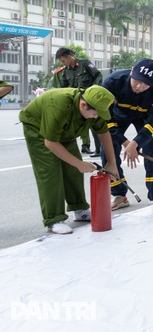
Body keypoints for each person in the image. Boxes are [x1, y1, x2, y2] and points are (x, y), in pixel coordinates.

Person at [18, 85, 118, 234]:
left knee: (73, 170)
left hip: (65, 131)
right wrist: (79, 164)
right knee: (50, 172)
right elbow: (50, 142)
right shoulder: (59, 105)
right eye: (95, 114)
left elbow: (104, 133)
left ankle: (79, 209)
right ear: (83, 105)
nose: (96, 117)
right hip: (38, 129)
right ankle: (54, 219)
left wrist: (112, 163)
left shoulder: (94, 108)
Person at [102, 58, 153, 215]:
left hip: (143, 118)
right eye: (137, 81)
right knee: (107, 147)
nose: (140, 86)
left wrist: (137, 142)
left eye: (146, 84)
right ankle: (120, 194)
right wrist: (125, 142)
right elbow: (106, 119)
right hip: (118, 115)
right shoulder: (113, 81)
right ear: (132, 71)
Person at [55, 47, 104, 157]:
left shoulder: (84, 64)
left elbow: (98, 76)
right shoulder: (66, 71)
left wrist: (94, 93)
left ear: (69, 57)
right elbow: (62, 87)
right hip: (76, 102)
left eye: (63, 61)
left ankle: (99, 150)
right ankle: (79, 148)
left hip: (89, 100)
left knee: (94, 126)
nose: (63, 63)